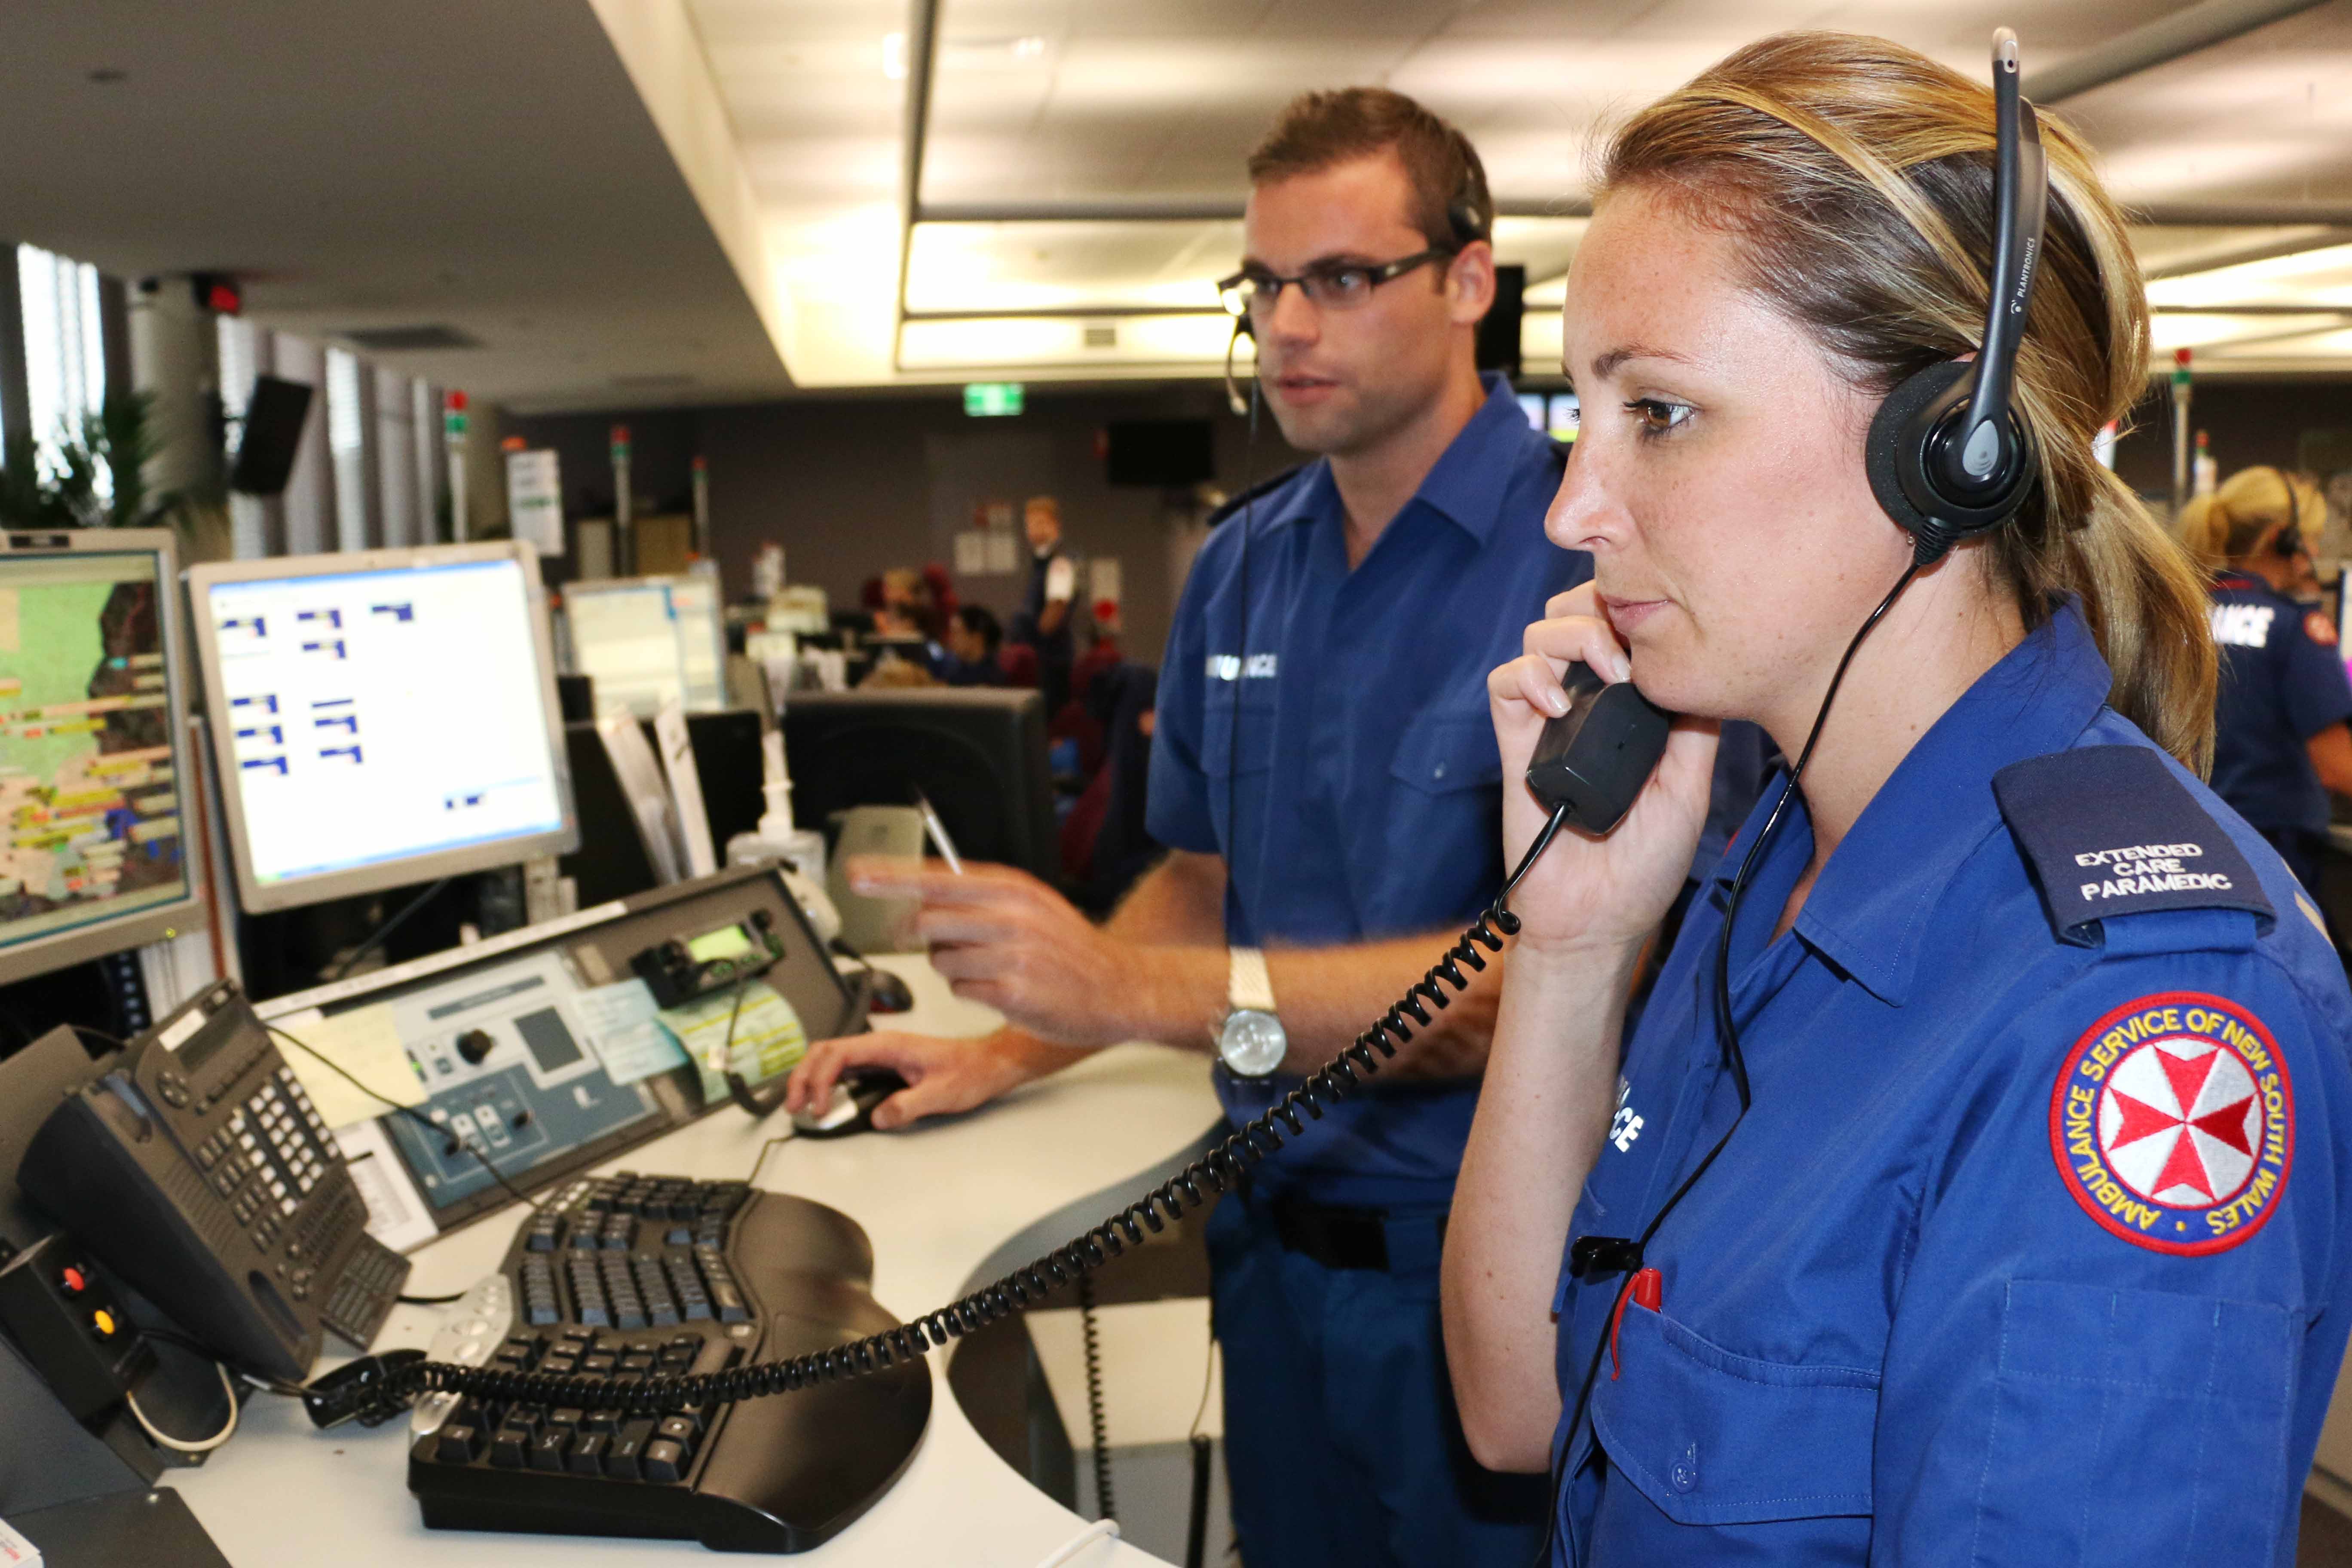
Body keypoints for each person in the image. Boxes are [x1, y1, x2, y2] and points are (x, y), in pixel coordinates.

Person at [1443, 32, 2352, 1565]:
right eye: (1577, 414)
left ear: (1945, 448)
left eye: (1653, 413)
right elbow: (1518, 1405)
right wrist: (1573, 948)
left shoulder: (2141, 1015)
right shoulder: (1769, 857)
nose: (1571, 505)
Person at [792, 86, 1590, 1565]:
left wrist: (1121, 992)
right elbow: (1199, 877)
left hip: (1480, 1279)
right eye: (1266, 283)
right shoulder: (1242, 566)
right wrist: (1010, 1042)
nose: (1291, 323)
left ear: (1469, 280)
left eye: (1344, 278)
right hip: (1267, 1250)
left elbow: (1525, 985)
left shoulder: (1580, 567)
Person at [2184, 465, 2352, 894]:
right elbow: (2337, 768)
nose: (2314, 548)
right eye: (2310, 536)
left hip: (2190, 844)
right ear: (2285, 539)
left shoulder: (2180, 618)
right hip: (2276, 856)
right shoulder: (2295, 627)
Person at [1013, 495, 1080, 715]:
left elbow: (1056, 609)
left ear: (1055, 525)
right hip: (1040, 655)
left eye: (1041, 523)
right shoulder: (1038, 562)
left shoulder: (1061, 561)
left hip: (1052, 659)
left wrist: (1034, 640)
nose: (1035, 530)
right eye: (1030, 524)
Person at [928, 603, 1005, 688]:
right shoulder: (951, 672)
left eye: (956, 633)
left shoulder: (995, 676)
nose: (951, 639)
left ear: (977, 638)